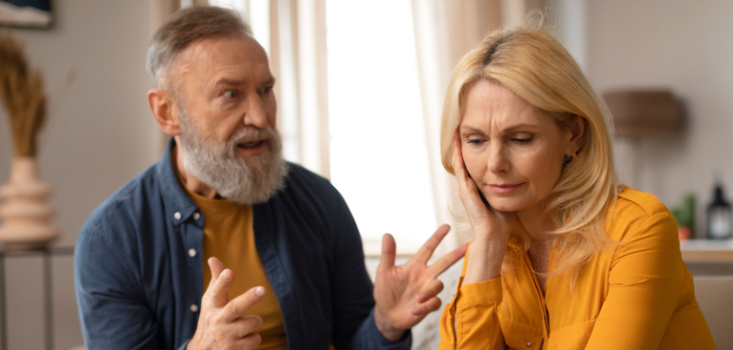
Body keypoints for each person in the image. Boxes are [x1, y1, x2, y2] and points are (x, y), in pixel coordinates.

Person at [74, 6, 466, 350]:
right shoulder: (112, 240)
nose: (260, 118)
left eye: (265, 90)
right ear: (166, 112)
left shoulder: (319, 202)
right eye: (231, 95)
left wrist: (386, 324)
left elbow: (355, 341)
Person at [437, 26, 716, 349]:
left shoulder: (639, 228)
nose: (495, 163)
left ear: (573, 134)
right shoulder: (491, 246)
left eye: (521, 139)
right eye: (476, 140)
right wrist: (485, 246)